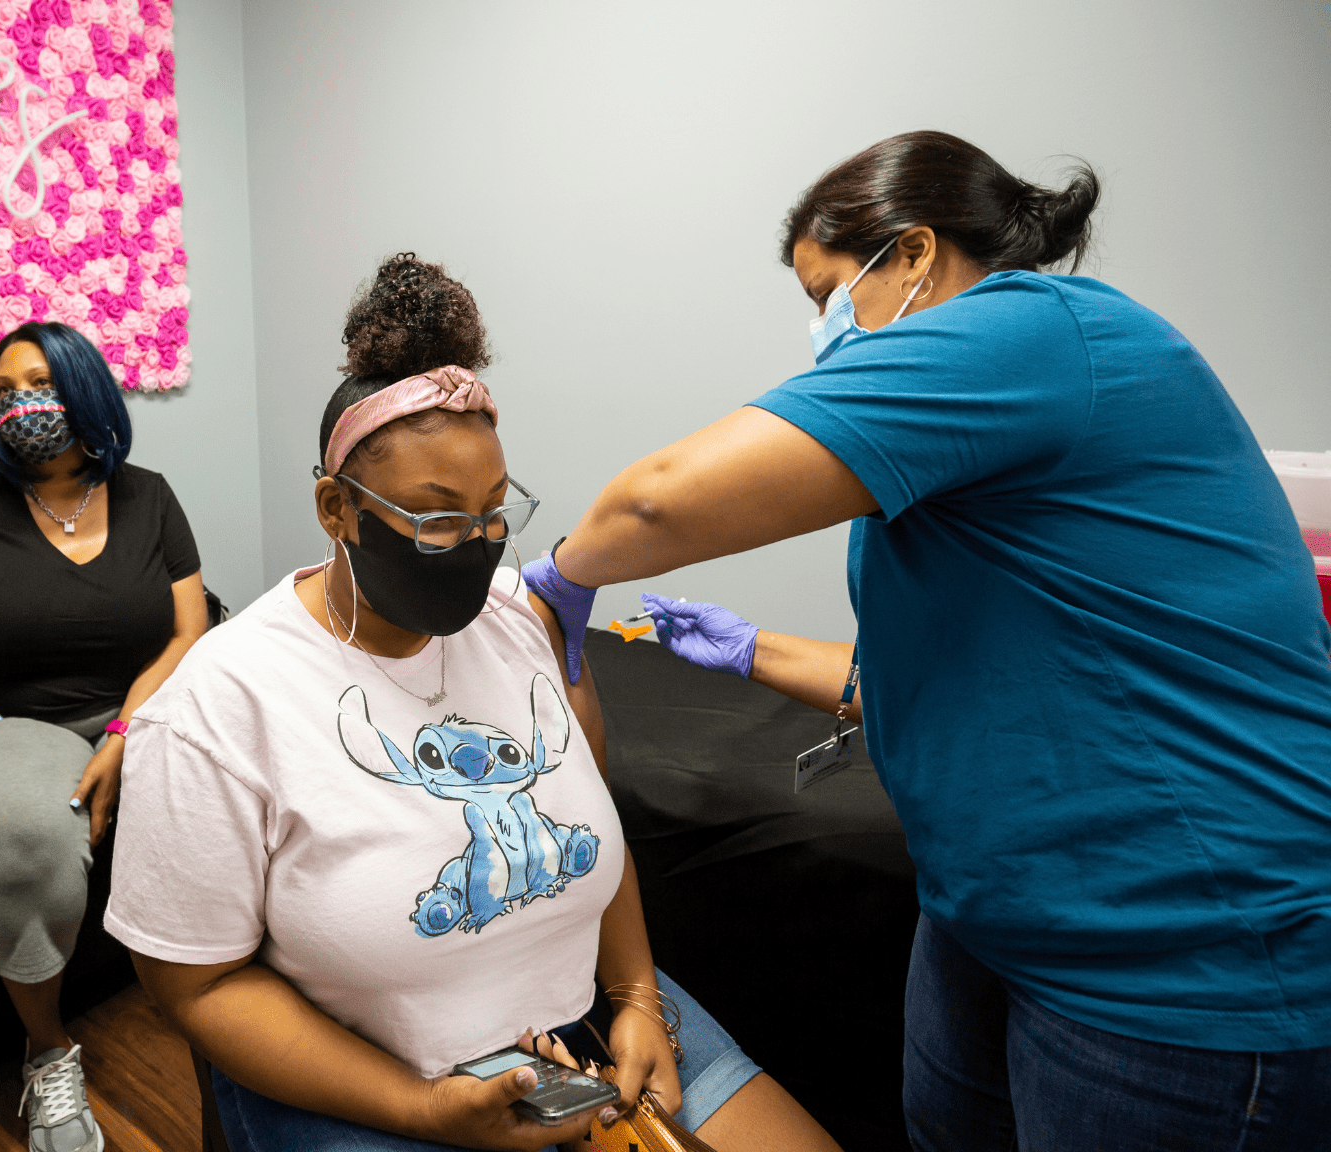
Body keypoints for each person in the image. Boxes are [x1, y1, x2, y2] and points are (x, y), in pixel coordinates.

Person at [523, 132, 1331, 1149]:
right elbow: (956, 675)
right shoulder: (984, 426)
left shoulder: (1030, 333)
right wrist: (750, 648)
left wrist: (561, 576)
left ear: (911, 254)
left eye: (830, 295)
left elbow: (655, 503)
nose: (825, 332)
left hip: (1170, 956)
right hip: (988, 922)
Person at [104, 255, 840, 1152]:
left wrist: (637, 999)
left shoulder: (521, 623)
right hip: (373, 1072)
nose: (477, 546)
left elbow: (596, 838)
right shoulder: (216, 708)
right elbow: (197, 988)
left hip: (588, 1019)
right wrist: (420, 1108)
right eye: (436, 517)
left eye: (494, 511)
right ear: (338, 509)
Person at [0, 320, 208, 1152]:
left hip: (136, 705)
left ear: (86, 392)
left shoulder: (149, 496)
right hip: (5, 726)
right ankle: (48, 1051)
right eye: (7, 393)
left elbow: (186, 633)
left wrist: (127, 733)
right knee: (31, 834)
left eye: (42, 387)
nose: (23, 406)